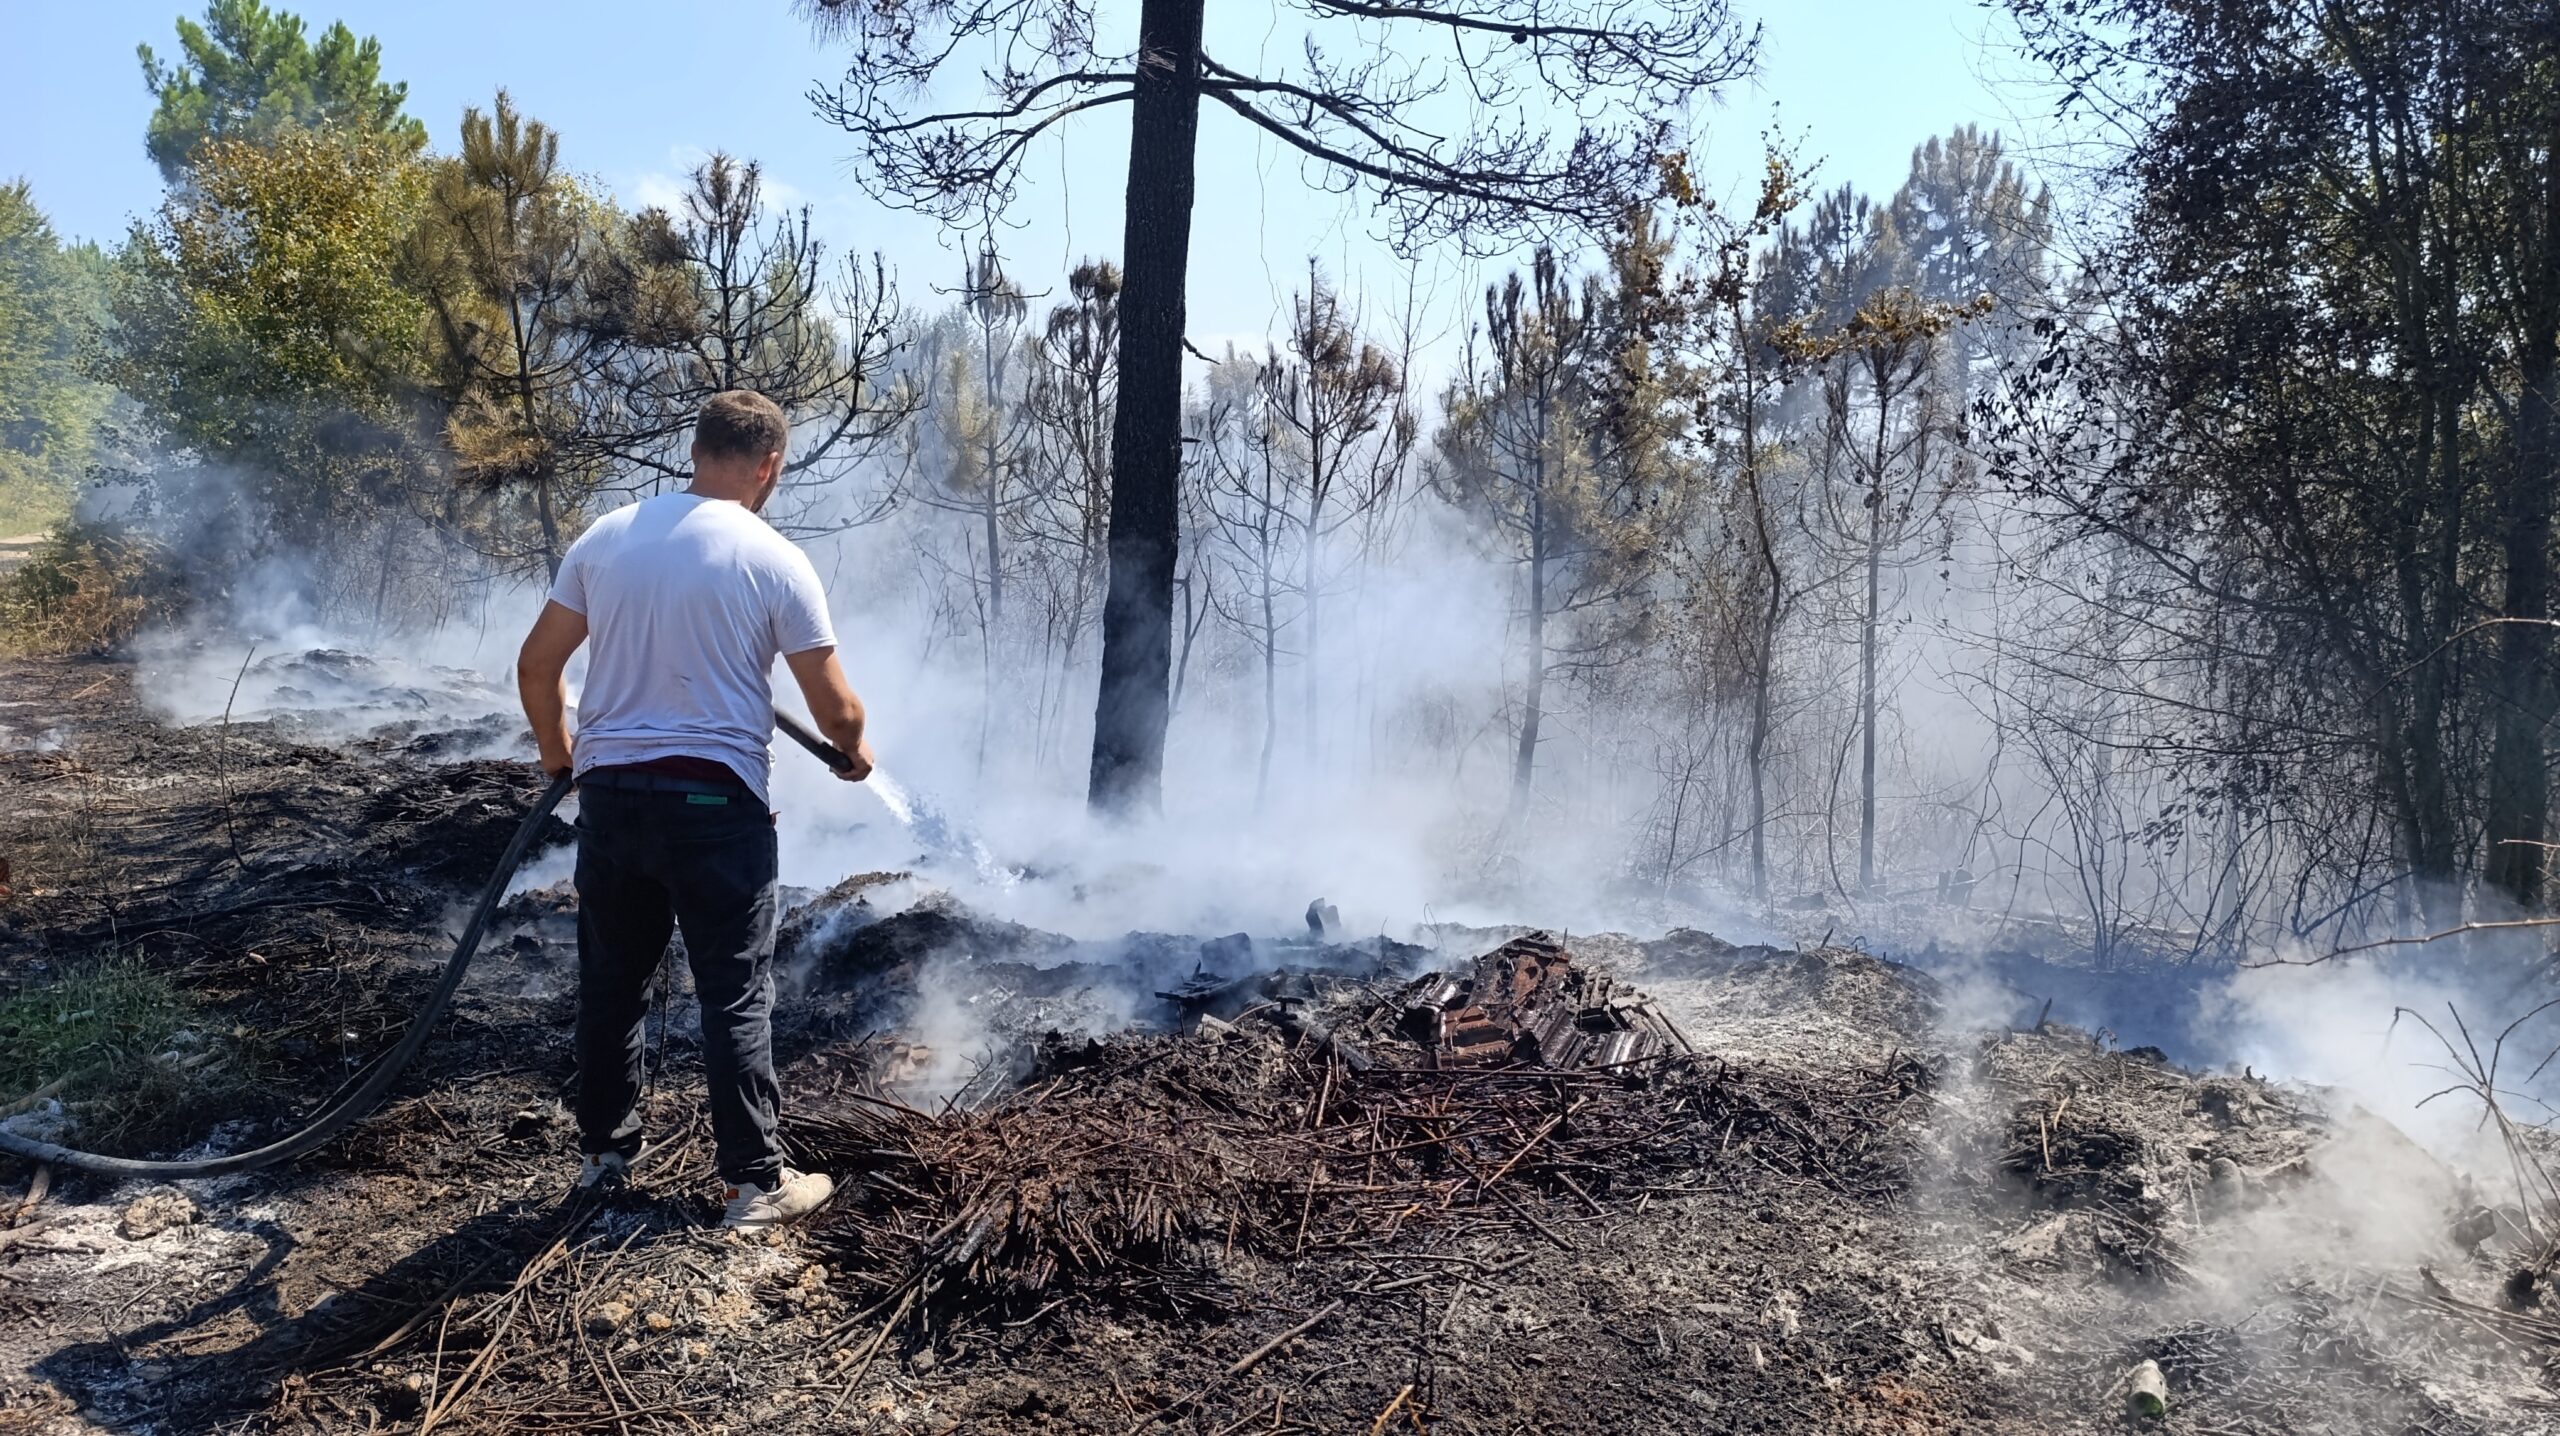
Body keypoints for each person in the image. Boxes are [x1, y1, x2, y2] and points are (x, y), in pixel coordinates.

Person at [516, 389, 874, 1229]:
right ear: (769, 465)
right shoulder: (773, 557)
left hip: (611, 800)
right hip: (716, 804)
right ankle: (754, 1183)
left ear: (695, 449)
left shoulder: (608, 539)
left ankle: (602, 1158)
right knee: (735, 991)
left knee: (612, 985)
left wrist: (561, 757)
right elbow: (836, 712)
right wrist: (855, 752)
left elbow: (538, 668)